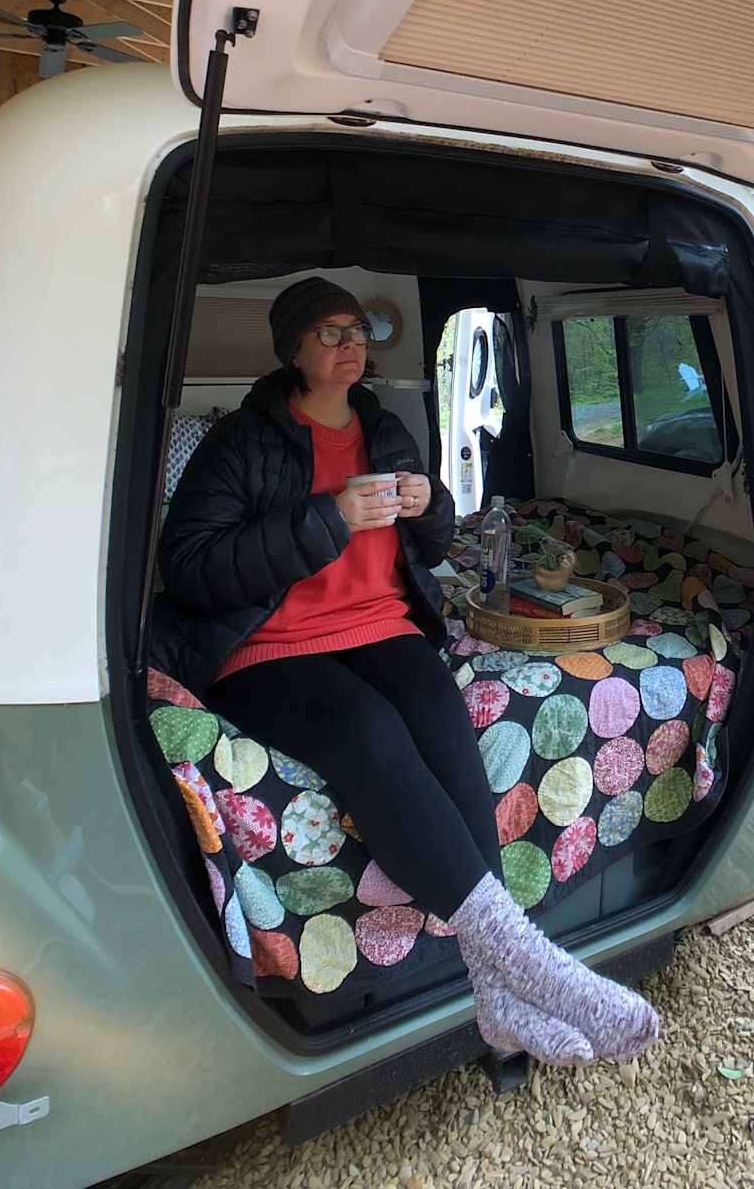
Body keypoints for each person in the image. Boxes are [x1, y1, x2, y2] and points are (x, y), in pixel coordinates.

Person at [154, 275, 659, 1066]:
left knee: (443, 718)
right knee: (368, 728)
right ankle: (527, 960)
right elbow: (188, 566)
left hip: (380, 625)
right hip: (269, 643)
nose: (350, 344)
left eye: (356, 330)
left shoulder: (385, 429)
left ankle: (496, 992)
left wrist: (430, 503)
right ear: (292, 348)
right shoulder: (242, 442)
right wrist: (327, 516)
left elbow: (434, 544)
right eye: (329, 332)